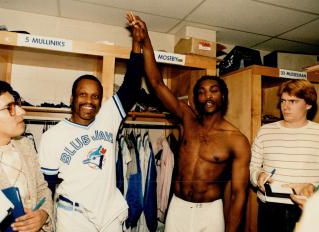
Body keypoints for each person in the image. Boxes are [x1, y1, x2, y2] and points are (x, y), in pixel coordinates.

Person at [126, 14, 251, 232]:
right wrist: (145, 39)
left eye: (213, 91)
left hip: (210, 211)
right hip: (179, 206)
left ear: (223, 97)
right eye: (201, 92)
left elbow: (239, 194)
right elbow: (156, 83)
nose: (208, 96)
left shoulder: (237, 140)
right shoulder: (186, 118)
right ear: (195, 100)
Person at [38, 13, 144, 232]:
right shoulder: (52, 137)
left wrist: (136, 44)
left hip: (109, 215)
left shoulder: (108, 117)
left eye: (95, 96)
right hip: (74, 218)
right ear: (72, 99)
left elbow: (132, 86)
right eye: (83, 95)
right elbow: (46, 187)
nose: (89, 101)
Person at [250, 79, 319, 232]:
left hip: (306, 209)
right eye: (283, 101)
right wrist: (258, 175)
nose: (285, 107)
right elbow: (252, 166)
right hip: (269, 209)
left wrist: (313, 187)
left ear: (308, 104)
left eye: (293, 101)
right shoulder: (265, 131)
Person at [0, 79, 53, 232]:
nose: (22, 111)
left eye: (17, 104)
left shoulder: (25, 145)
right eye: (10, 108)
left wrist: (43, 215)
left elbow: (42, 189)